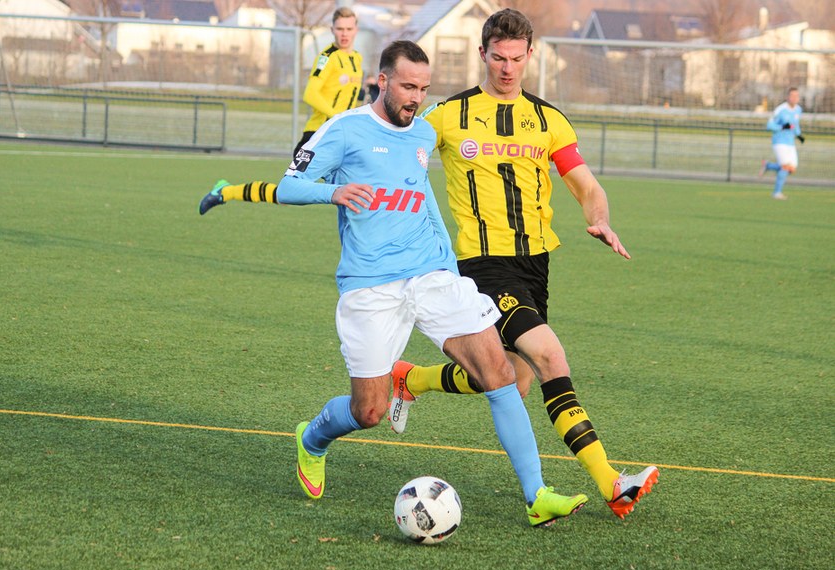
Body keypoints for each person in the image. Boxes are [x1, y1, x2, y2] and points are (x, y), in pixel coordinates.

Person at [280, 40, 588, 528]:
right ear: (383, 81)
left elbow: (422, 197)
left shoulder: (423, 133)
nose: (416, 98)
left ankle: (537, 495)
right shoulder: (345, 129)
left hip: (432, 275)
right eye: (407, 87)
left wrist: (448, 266)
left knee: (500, 373)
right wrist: (333, 191)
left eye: (423, 89)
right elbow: (287, 185)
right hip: (372, 285)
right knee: (370, 410)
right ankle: (312, 438)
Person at [385, 9, 659, 520]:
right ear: (482, 54)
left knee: (513, 378)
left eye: (516, 58)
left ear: (530, 55)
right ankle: (611, 483)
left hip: (535, 265)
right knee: (551, 355)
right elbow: (397, 145)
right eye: (498, 58)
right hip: (484, 264)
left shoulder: (549, 120)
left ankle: (411, 379)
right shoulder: (448, 115)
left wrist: (599, 219)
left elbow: (586, 185)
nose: (507, 68)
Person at [198, 7, 364, 214]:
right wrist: (336, 116)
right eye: (340, 29)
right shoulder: (327, 58)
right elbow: (310, 94)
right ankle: (226, 191)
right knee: (286, 195)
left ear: (356, 30)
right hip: (318, 135)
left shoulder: (357, 58)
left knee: (358, 186)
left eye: (349, 29)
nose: (344, 34)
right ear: (332, 30)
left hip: (344, 136)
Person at [759, 87, 803, 200]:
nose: (794, 98)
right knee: (786, 166)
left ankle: (768, 165)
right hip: (779, 141)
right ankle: (777, 193)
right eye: (792, 95)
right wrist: (783, 127)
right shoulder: (780, 110)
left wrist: (799, 135)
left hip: (790, 142)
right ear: (787, 97)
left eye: (796, 96)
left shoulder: (798, 110)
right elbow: (769, 125)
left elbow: (795, 125)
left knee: (792, 168)